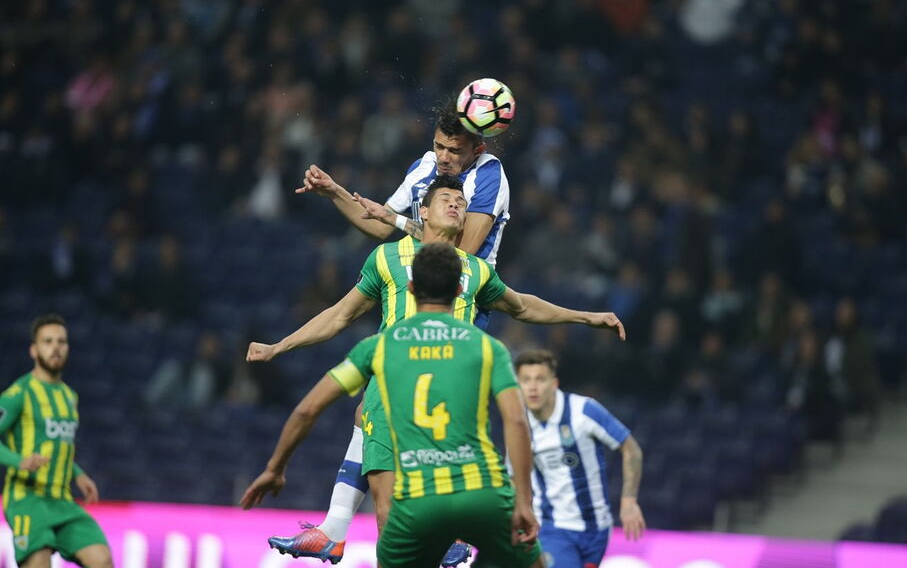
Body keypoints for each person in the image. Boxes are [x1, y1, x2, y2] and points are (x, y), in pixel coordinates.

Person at [247, 176, 625, 564]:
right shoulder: (387, 257)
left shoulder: (475, 270)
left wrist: (586, 317)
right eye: (445, 197)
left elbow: (523, 306)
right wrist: (281, 345)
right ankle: (346, 529)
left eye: (461, 202)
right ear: (421, 212)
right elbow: (340, 314)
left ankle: (341, 528)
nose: (456, 204)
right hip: (390, 388)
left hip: (447, 393)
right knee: (389, 510)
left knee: (411, 492)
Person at [240, 243, 544, 568]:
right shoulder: (489, 348)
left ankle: (335, 526)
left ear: (411, 289)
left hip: (417, 502)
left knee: (367, 417)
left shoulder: (379, 347)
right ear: (459, 290)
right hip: (482, 494)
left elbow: (307, 410)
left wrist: (275, 469)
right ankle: (336, 527)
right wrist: (523, 498)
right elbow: (516, 421)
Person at [296, 98, 510, 309]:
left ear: (478, 150)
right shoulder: (422, 167)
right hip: (417, 287)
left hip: (464, 296)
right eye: (439, 146)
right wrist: (334, 192)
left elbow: (461, 252)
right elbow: (379, 226)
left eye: (454, 151)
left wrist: (396, 220)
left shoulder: (489, 175)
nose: (443, 157)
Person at [0, 314, 113, 568]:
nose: (55, 348)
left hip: (61, 500)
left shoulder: (69, 396)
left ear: (68, 349)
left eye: (61, 342)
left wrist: (79, 474)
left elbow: (57, 445)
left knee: (102, 559)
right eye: (47, 341)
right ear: (34, 349)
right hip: (27, 499)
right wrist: (19, 461)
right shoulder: (19, 393)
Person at [515, 349, 646, 568]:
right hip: (552, 528)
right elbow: (514, 477)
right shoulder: (519, 426)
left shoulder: (583, 410)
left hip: (598, 529)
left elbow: (631, 449)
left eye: (540, 379)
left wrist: (629, 501)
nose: (533, 387)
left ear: (554, 383)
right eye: (526, 380)